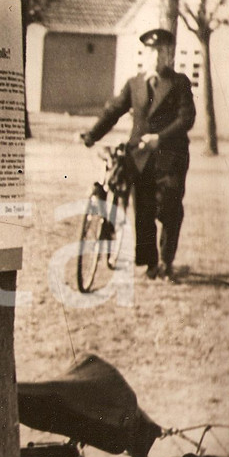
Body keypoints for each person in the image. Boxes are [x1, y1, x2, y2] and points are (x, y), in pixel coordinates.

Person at [82, 28, 196, 283]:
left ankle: (167, 261)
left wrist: (160, 138)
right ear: (144, 54)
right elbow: (113, 111)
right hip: (140, 159)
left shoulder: (179, 83)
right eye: (151, 51)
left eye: (161, 52)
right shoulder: (134, 84)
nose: (156, 57)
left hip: (171, 158)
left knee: (169, 208)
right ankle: (151, 263)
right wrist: (92, 135)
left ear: (169, 55)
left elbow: (186, 118)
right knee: (143, 212)